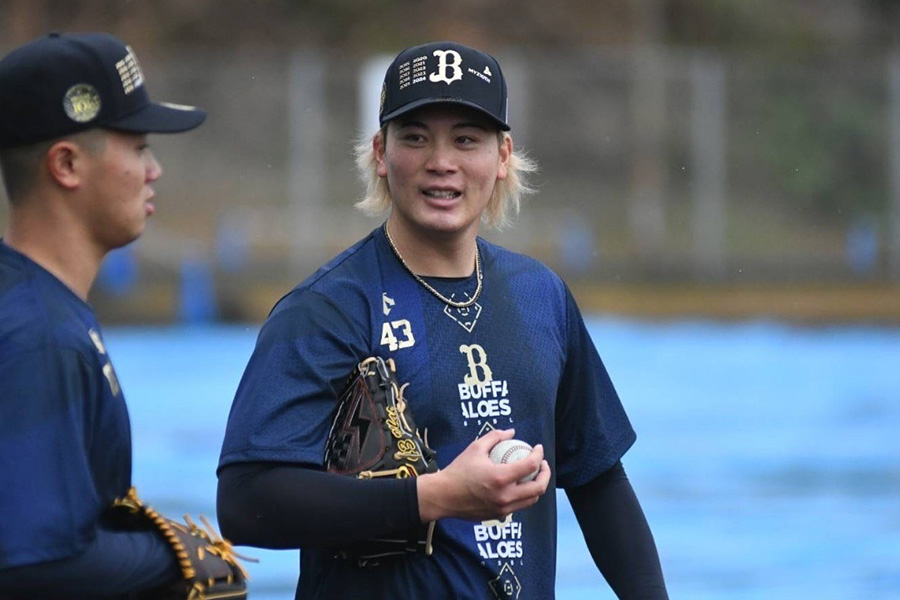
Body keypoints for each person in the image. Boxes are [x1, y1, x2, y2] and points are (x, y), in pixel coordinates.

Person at [217, 41, 668, 599]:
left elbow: (597, 480)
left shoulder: (540, 295)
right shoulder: (327, 308)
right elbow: (245, 502)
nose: (441, 162)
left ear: (503, 156)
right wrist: (436, 496)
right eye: (415, 137)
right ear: (380, 153)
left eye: (466, 139)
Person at [0, 32, 214, 598]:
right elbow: (28, 565)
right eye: (139, 146)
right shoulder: (39, 335)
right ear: (67, 164)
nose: (154, 170)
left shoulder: (35, 304)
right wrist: (171, 556)